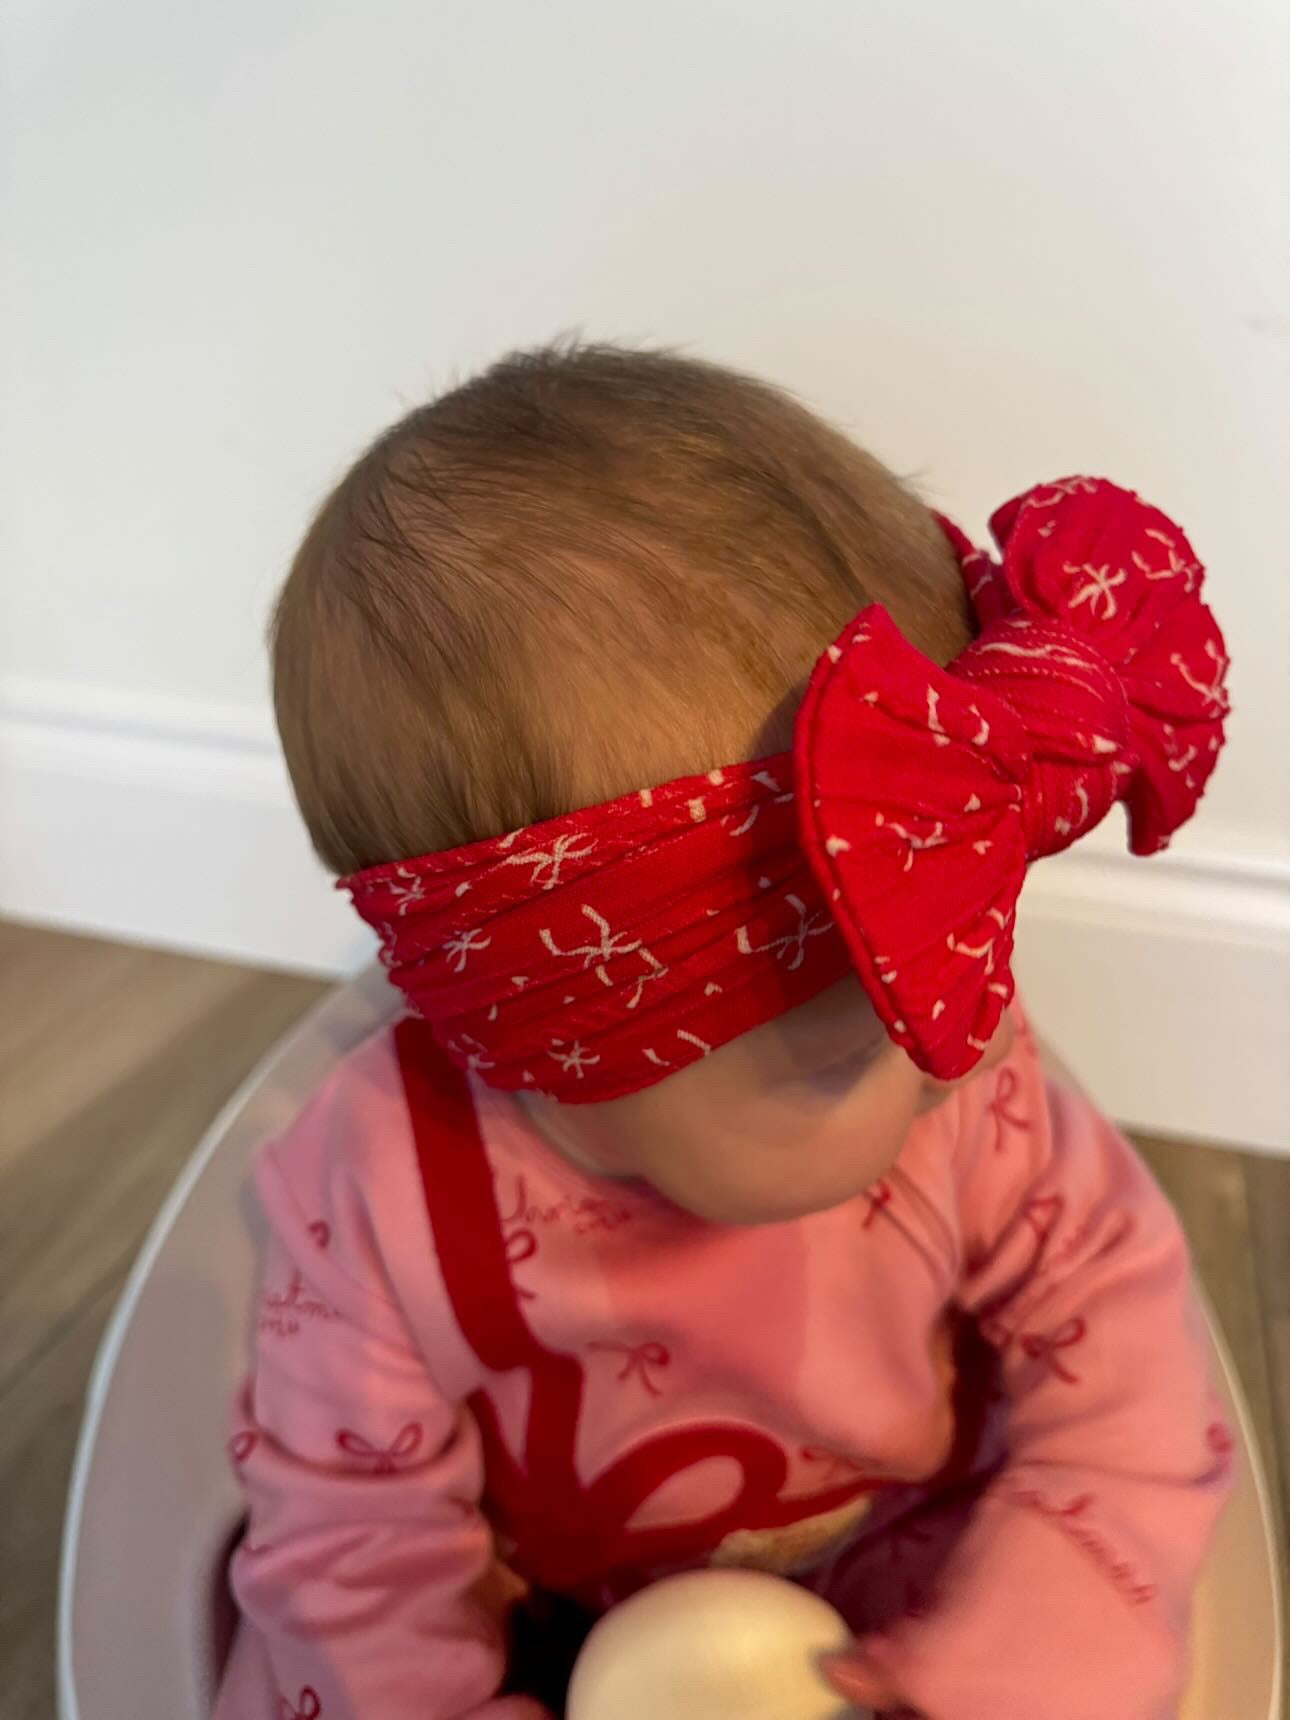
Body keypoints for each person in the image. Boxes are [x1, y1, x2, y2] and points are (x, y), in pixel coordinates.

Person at [217, 345, 1233, 1719]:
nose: (959, 1053)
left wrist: (1038, 1634)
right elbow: (351, 1554)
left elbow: (1122, 1337)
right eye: (848, 1047)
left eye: (961, 965)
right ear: (562, 1059)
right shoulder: (381, 1197)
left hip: (918, 1568)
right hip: (561, 1615)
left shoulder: (969, 1084)